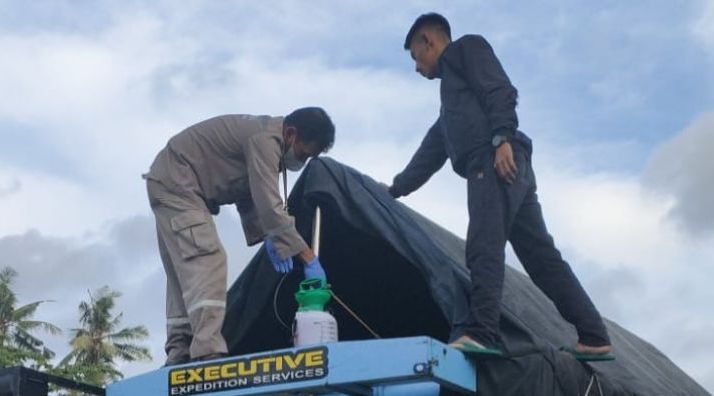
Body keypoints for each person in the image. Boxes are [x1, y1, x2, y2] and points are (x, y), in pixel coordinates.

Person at [389, 13, 612, 360]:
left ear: (427, 41)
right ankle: (594, 336)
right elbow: (431, 152)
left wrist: (501, 137)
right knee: (541, 259)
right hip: (510, 168)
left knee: (483, 245)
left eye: (416, 58)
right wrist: (395, 189)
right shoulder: (453, 107)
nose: (417, 68)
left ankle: (481, 334)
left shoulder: (467, 49)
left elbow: (499, 89)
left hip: (494, 161)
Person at [145, 109, 336, 365]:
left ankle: (179, 353)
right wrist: (308, 257)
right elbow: (269, 204)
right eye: (303, 153)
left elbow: (248, 194)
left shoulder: (266, 140)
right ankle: (207, 352)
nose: (301, 161)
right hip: (179, 181)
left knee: (184, 270)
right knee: (207, 259)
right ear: (291, 133)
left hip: (168, 179)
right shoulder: (265, 141)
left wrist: (267, 235)